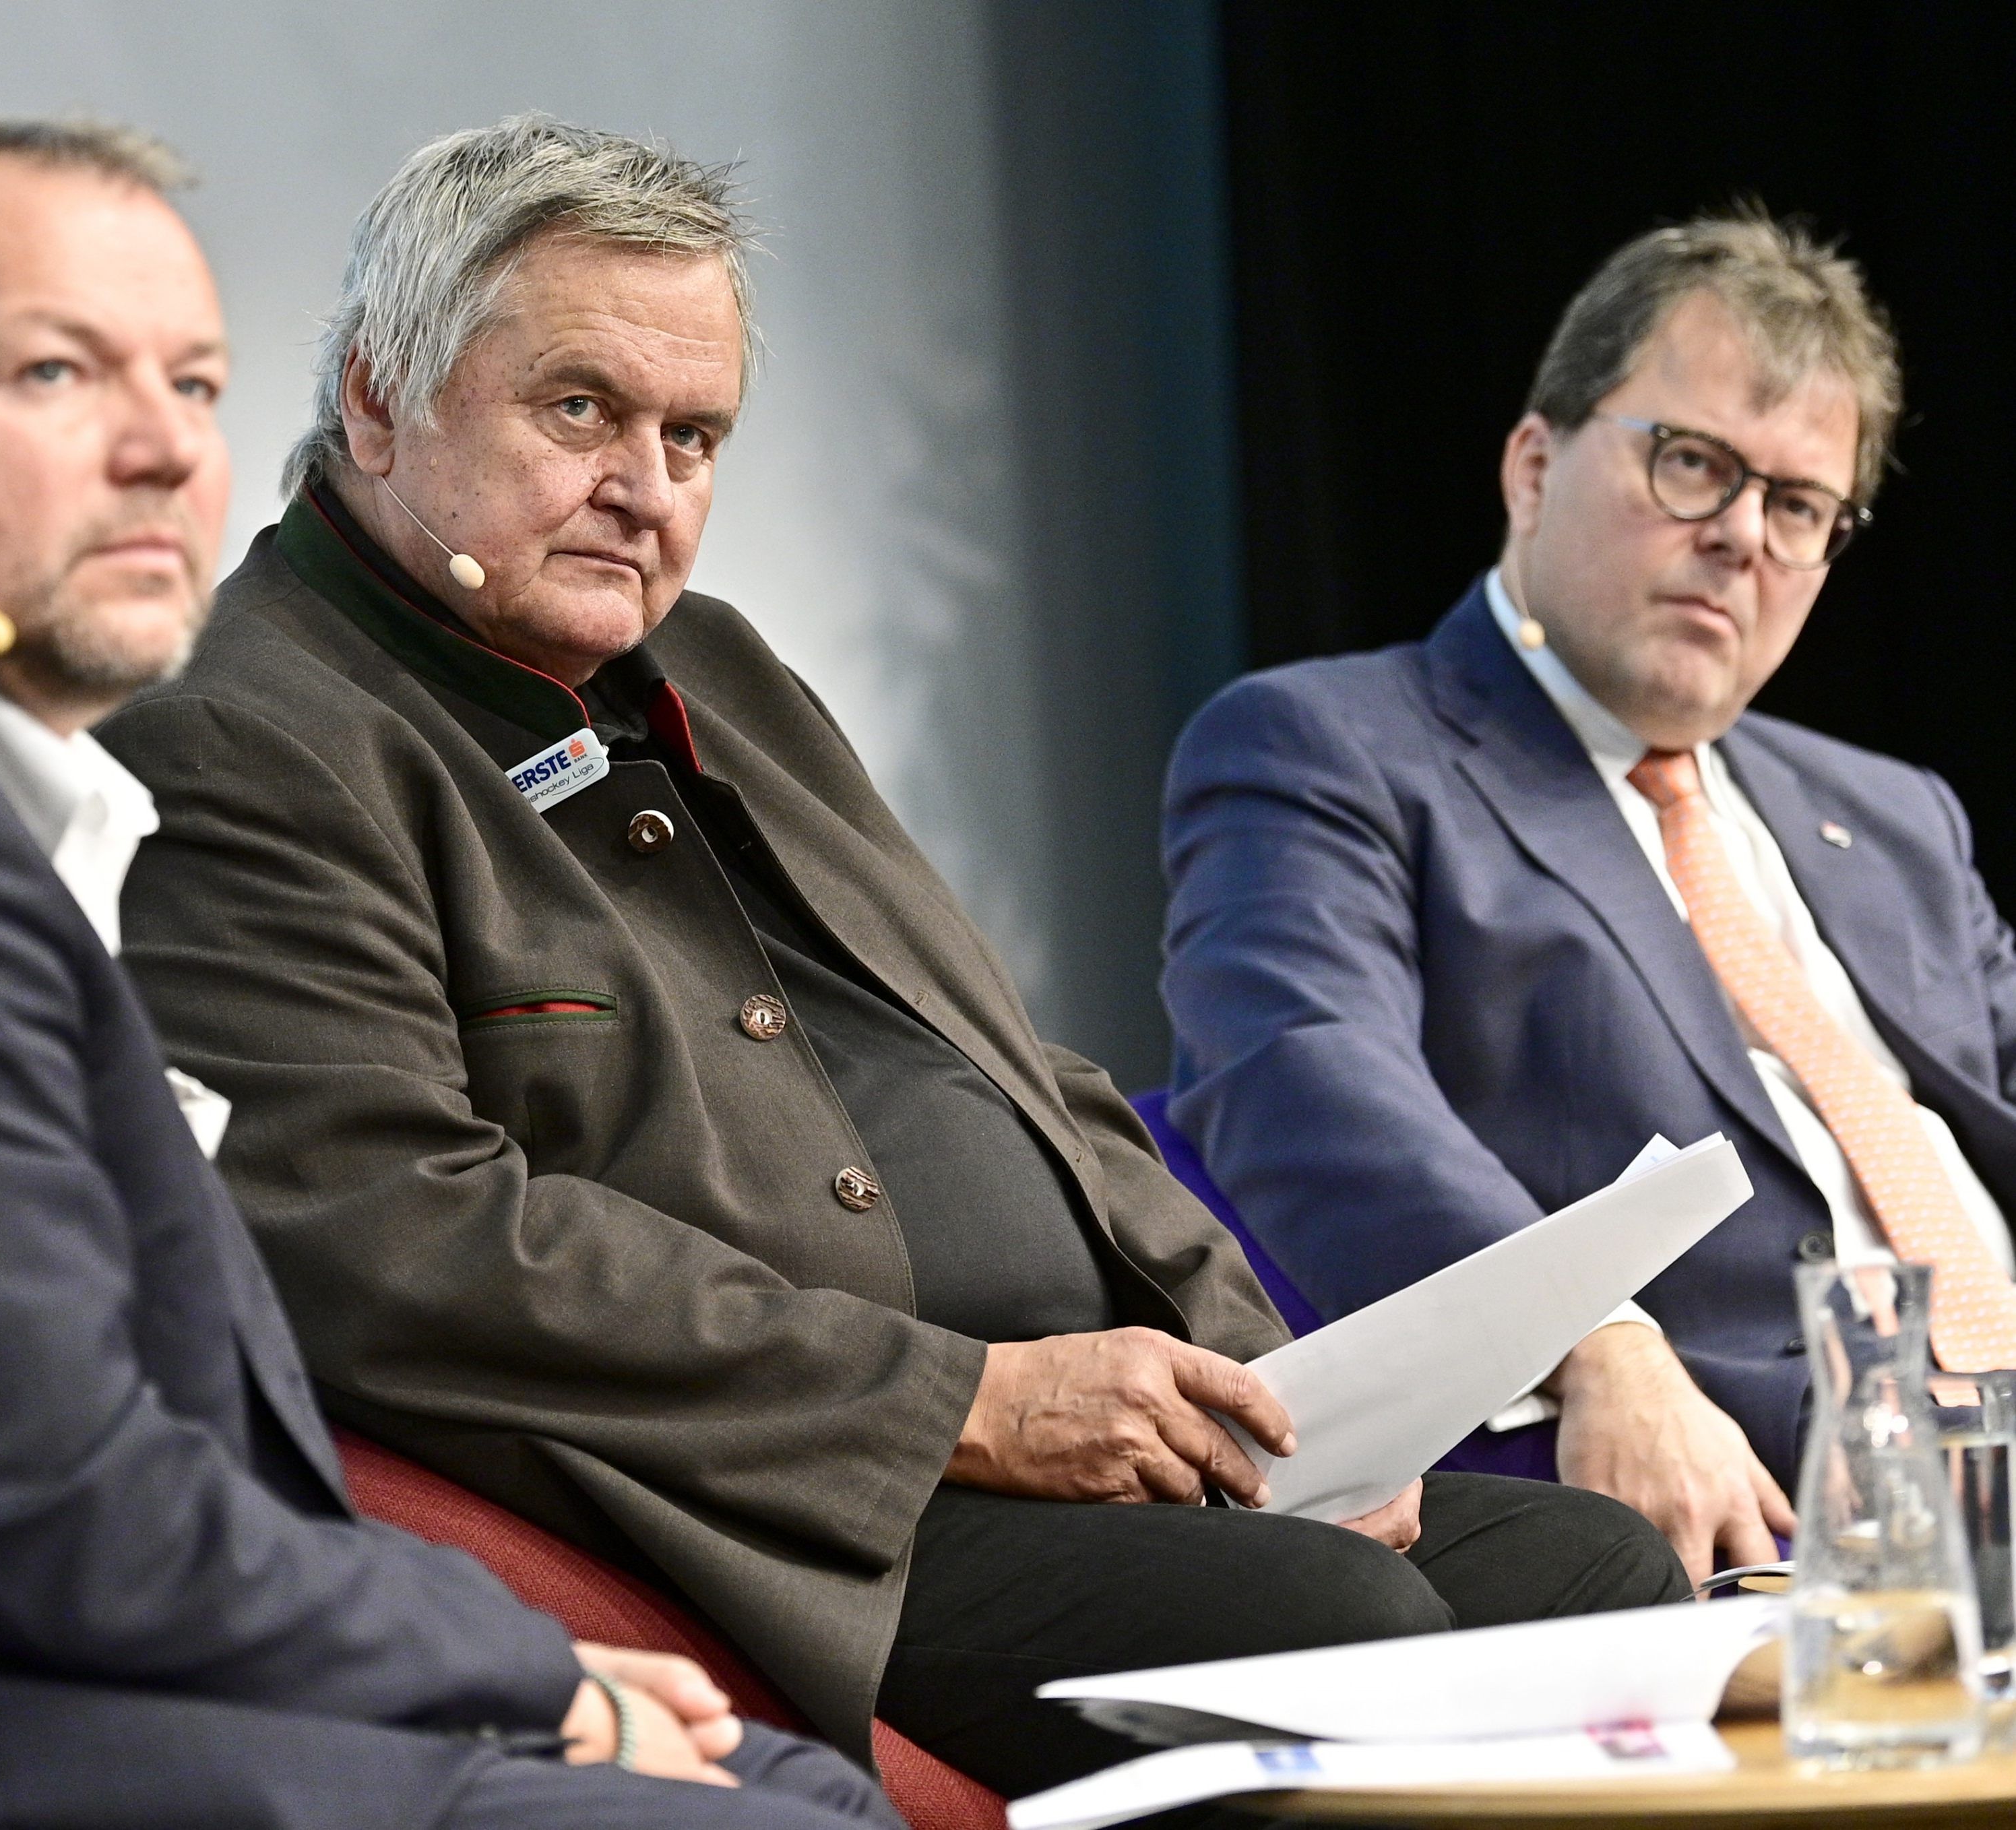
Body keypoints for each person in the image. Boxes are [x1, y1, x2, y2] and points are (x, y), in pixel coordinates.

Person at [102, 113, 1688, 1803]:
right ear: (374, 396)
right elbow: (390, 1235)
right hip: (790, 1502)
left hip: (1063, 1455)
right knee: (1327, 1617)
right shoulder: (243, 733)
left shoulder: (719, 664)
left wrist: (1287, 1406)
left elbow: (1029, 1079)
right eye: (578, 409)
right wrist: (960, 1403)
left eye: (692, 434)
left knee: (1600, 1581)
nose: (642, 484)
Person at [0, 118, 897, 1830]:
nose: (161, 454)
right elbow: (53, 1506)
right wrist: (527, 1669)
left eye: (195, 387)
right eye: (60, 373)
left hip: (32, 1660)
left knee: (780, 1780)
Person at [1159, 208, 2015, 1589]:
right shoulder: (1325, 748)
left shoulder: (1898, 815)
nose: (1740, 535)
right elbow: (1301, 1082)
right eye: (1691, 464)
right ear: (1532, 462)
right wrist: (1595, 1336)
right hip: (1770, 1470)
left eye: (1796, 505)